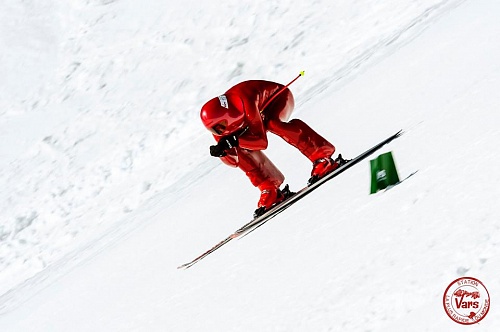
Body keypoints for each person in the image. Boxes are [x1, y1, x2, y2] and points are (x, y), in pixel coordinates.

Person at [200, 80, 346, 217]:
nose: (218, 132)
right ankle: (269, 187)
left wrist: (236, 140)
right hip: (253, 117)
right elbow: (234, 160)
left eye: (220, 127)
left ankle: (322, 156)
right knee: (238, 146)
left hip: (279, 99)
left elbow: (261, 141)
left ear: (229, 116)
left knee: (272, 123)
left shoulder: (246, 102)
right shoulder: (220, 128)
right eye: (214, 130)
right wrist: (223, 153)